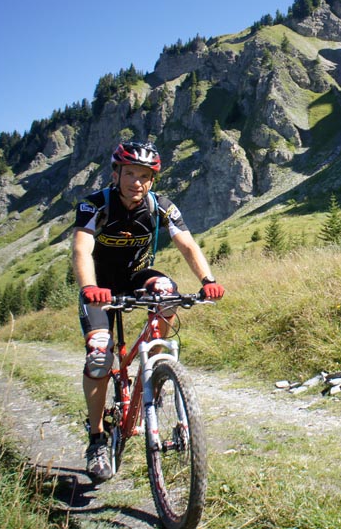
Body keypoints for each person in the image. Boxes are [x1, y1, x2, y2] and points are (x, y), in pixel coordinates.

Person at [71, 140, 225, 483]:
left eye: (144, 176)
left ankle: (154, 366)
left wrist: (208, 279)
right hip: (99, 286)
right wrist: (88, 287)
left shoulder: (160, 207)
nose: (136, 182)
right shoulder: (94, 205)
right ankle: (97, 438)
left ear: (152, 180)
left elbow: (186, 242)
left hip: (136, 277)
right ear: (116, 173)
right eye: (129, 174)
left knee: (168, 293)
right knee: (99, 355)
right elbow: (81, 248)